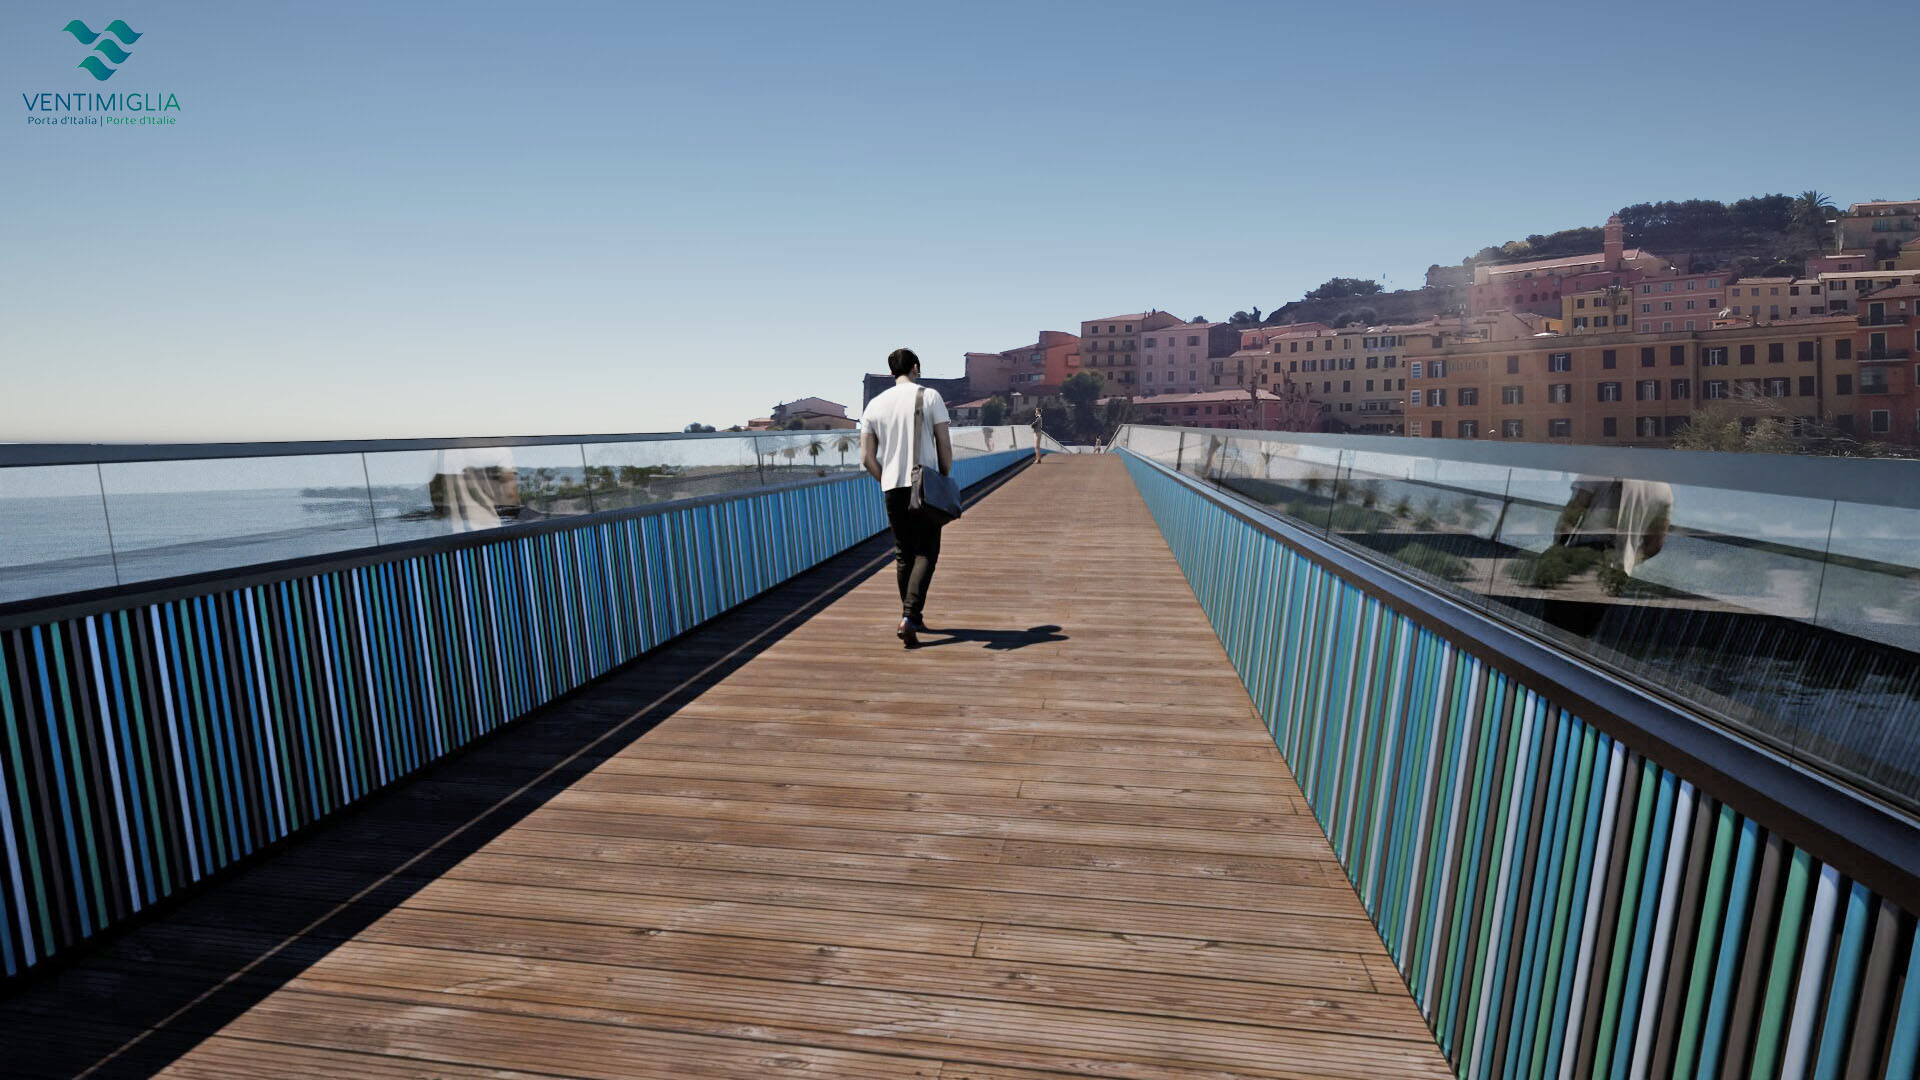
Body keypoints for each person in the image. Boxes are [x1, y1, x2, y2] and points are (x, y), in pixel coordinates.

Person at [860, 348, 953, 647]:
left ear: (891, 372)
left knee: (904, 553)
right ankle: (909, 617)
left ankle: (912, 616)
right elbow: (944, 446)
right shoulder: (930, 396)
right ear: (916, 367)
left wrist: (886, 479)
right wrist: (944, 476)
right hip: (924, 485)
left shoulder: (874, 405)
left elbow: (866, 458)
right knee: (926, 551)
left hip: (892, 487)